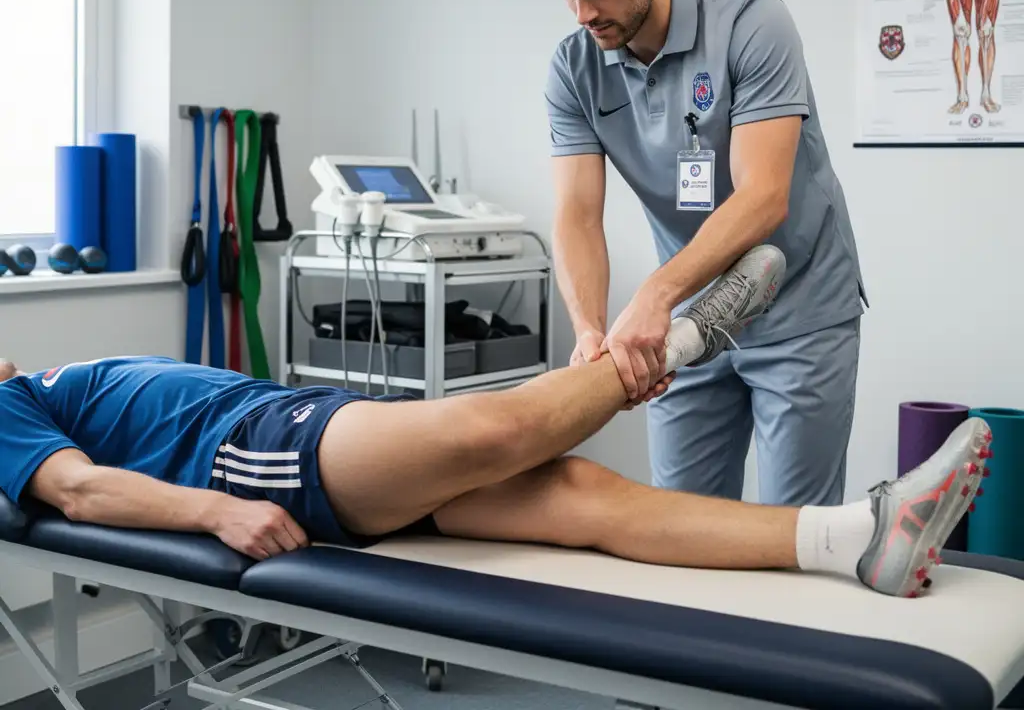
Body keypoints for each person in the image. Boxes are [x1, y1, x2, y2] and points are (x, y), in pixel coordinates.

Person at [0, 245, 990, 600]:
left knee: (591, 497)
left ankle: (858, 539)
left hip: (298, 433)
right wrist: (214, 515)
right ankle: (690, 342)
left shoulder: (41, 380)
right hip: (258, 455)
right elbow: (79, 489)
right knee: (495, 429)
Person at [528, 0, 866, 507]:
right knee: (681, 528)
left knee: (793, 532)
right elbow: (575, 216)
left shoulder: (751, 23)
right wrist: (590, 330)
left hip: (799, 311)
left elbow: (764, 196)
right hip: (688, 319)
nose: (584, 15)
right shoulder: (574, 67)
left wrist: (655, 293)